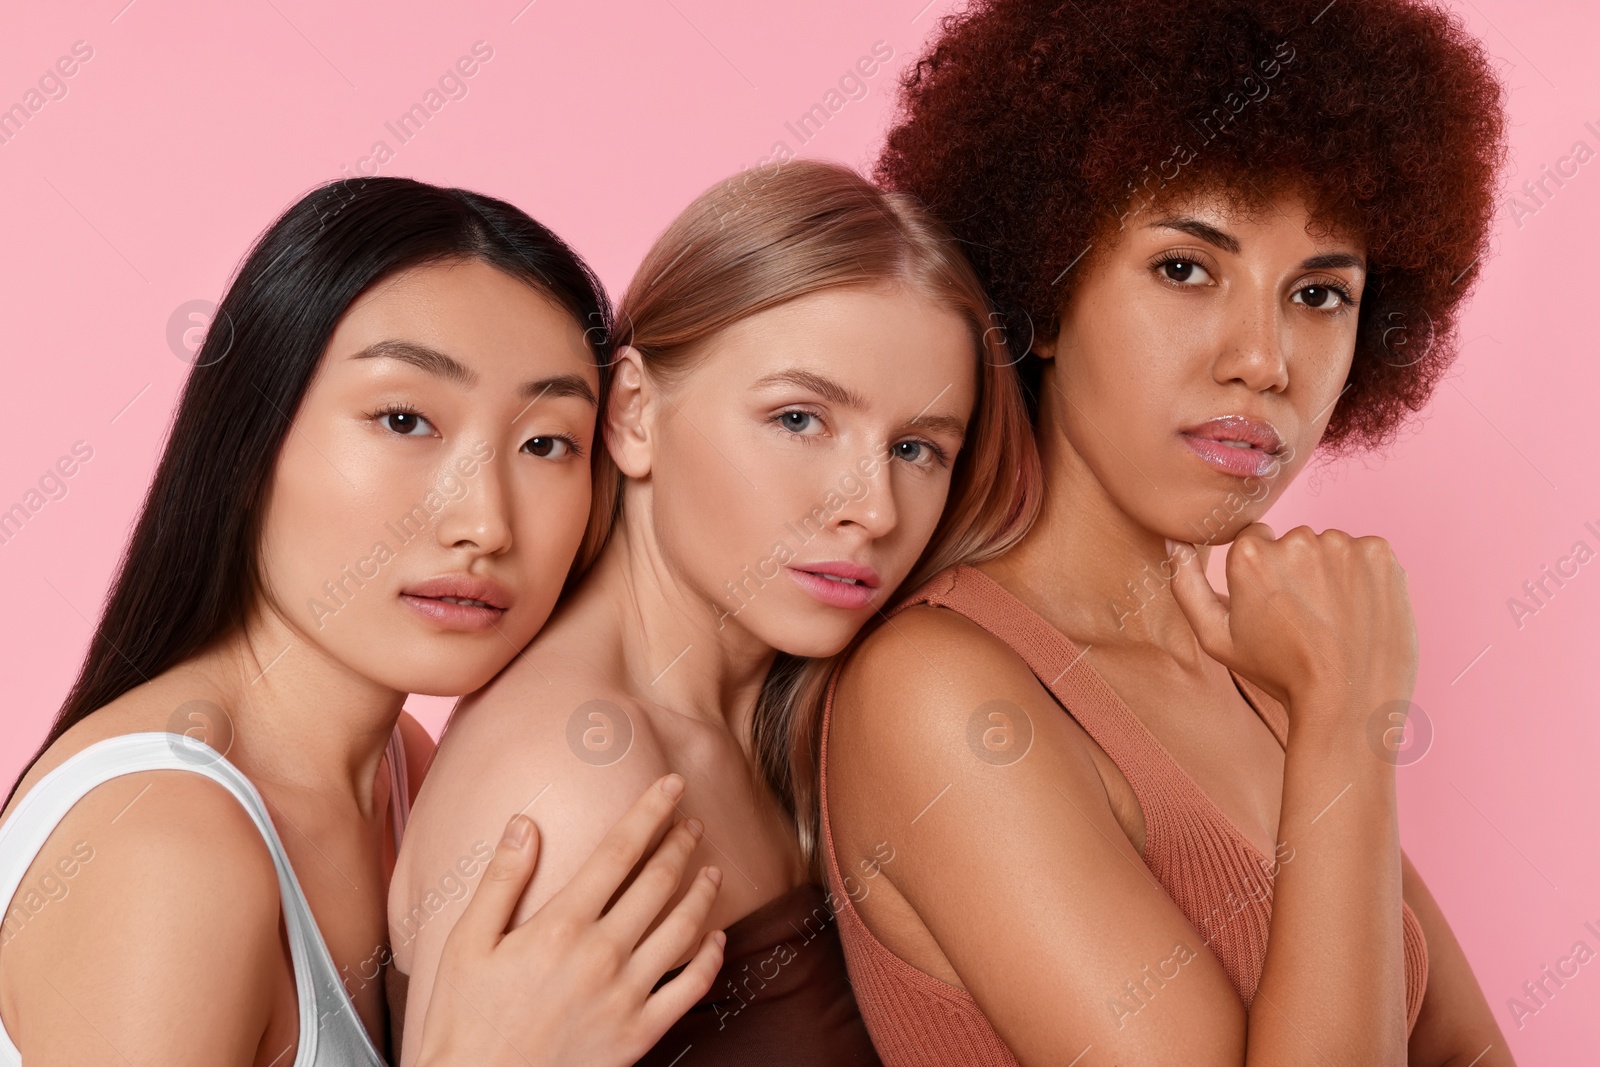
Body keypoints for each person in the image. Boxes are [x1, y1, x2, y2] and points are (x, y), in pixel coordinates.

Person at [811, 0, 1514, 1062]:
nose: (1264, 359)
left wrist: (1327, 713)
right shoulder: (942, 694)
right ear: (1039, 293)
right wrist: (1348, 725)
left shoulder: (1263, 669)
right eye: (1186, 267)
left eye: (1320, 293)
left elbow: (1465, 1049)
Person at [0, 176, 726, 1067]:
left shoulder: (404, 773)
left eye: (546, 443)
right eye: (405, 418)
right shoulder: (161, 848)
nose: (486, 523)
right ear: (251, 437)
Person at [388, 158, 1041, 1066]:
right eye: (800, 419)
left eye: (917, 447)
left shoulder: (786, 722)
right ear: (636, 412)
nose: (874, 508)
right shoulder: (575, 783)